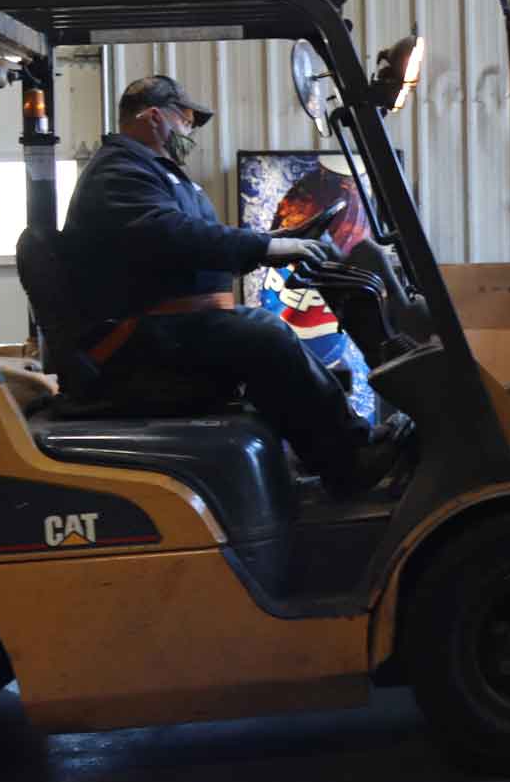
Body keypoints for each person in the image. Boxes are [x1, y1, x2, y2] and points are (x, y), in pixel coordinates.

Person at [61, 74, 404, 494]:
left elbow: (197, 242)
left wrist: (278, 243)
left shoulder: (154, 173)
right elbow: (173, 236)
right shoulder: (119, 173)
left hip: (164, 326)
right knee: (264, 335)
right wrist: (265, 247)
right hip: (133, 340)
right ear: (154, 117)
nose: (190, 134)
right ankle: (349, 462)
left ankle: (345, 442)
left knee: (262, 332)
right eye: (186, 122)